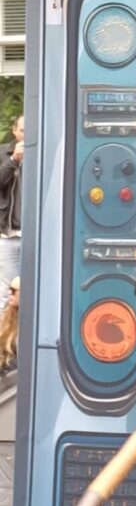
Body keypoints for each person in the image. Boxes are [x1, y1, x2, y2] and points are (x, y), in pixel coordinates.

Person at [0, 114, 23, 311]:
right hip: (8, 235)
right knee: (8, 293)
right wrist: (14, 159)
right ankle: (5, 329)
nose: (26, 135)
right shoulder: (2, 153)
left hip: (36, 238)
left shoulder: (45, 154)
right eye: (22, 131)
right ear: (14, 131)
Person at [0, 274, 19, 374]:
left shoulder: (28, 325)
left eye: (13, 291)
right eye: (9, 289)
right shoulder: (7, 316)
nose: (9, 293)